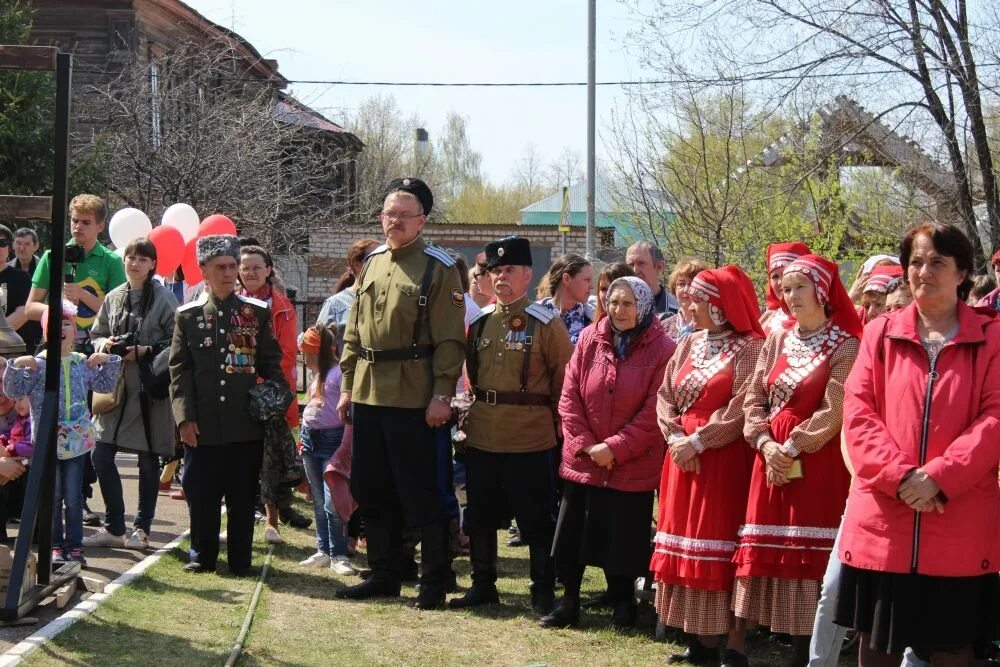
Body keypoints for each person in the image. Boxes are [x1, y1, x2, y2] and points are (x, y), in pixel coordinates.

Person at [835, 221, 1000, 666]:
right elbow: (859, 411)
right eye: (915, 262)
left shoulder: (992, 338)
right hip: (885, 523)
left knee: (952, 650)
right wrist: (903, 477)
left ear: (962, 272)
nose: (923, 271)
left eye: (937, 262)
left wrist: (939, 478)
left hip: (958, 522)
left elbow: (995, 418)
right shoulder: (879, 334)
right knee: (877, 647)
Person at [334, 177, 466, 609]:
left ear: (422, 221)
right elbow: (354, 332)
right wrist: (348, 387)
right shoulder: (371, 261)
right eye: (389, 213)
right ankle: (384, 574)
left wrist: (442, 395)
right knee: (371, 488)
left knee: (422, 492)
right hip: (370, 391)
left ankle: (433, 582)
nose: (394, 221)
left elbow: (449, 340)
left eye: (404, 215)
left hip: (415, 395)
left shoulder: (438, 267)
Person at [733, 254, 861, 666]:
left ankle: (810, 649)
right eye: (785, 290)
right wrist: (765, 443)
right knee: (775, 547)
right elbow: (754, 396)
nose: (790, 297)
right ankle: (783, 638)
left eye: (799, 288)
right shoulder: (776, 340)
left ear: (822, 291)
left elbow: (834, 407)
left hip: (816, 460)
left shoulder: (845, 344)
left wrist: (793, 447)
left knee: (808, 552)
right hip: (769, 456)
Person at [447, 236, 573, 615]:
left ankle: (541, 590)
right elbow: (472, 375)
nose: (500, 278)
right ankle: (483, 585)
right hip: (485, 433)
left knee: (535, 519)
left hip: (530, 436)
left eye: (509, 271)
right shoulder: (481, 321)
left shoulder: (546, 324)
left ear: (527, 274)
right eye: (495, 271)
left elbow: (562, 383)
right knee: (481, 515)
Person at [650, 265, 766, 667]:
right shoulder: (688, 343)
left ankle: (733, 644)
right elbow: (665, 394)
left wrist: (699, 440)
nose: (690, 303)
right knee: (685, 542)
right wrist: (674, 437)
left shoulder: (751, 347)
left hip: (722, 460)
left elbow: (741, 408)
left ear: (720, 306)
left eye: (699, 298)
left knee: (721, 544)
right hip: (682, 457)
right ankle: (697, 639)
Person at [544, 275, 675, 630]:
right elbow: (569, 397)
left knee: (623, 538)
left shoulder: (663, 350)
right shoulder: (589, 338)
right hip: (584, 460)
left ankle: (623, 604)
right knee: (573, 534)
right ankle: (568, 602)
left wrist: (615, 448)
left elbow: (655, 412)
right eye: (614, 302)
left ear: (644, 307)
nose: (618, 310)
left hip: (630, 463)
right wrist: (587, 444)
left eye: (628, 304)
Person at [169, 234, 286, 576]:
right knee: (201, 492)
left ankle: (239, 560)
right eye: (220, 267)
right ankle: (202, 555)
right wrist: (184, 419)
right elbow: (180, 372)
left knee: (241, 495)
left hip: (243, 424)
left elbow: (273, 367)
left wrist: (272, 401)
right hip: (202, 424)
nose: (227, 273)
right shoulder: (188, 316)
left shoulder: (255, 314)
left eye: (232, 266)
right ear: (203, 270)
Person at [3, 301, 121, 567]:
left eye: (66, 323)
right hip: (47, 442)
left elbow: (106, 384)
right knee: (53, 496)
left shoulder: (81, 362)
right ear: (45, 332)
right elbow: (12, 391)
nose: (61, 329)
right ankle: (55, 545)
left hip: (76, 442)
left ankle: (75, 546)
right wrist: (15, 365)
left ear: (75, 330)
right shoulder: (38, 365)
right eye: (54, 325)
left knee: (74, 496)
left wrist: (109, 360)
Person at [85, 238, 179, 552]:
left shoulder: (165, 298)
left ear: (153, 264)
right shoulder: (114, 297)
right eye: (130, 257)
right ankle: (114, 525)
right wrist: (105, 345)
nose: (135, 263)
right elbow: (95, 334)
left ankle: (142, 528)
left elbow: (178, 341)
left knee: (148, 459)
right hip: (115, 387)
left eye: (142, 258)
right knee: (100, 453)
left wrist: (146, 349)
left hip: (149, 388)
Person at [236, 244, 300, 544]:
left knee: (270, 460)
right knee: (240, 459)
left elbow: (286, 355)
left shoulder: (282, 307)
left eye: (256, 267)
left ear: (268, 270)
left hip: (269, 394)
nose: (249, 272)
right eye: (245, 266)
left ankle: (272, 520)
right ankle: (241, 517)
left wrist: (266, 390)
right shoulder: (230, 301)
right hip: (235, 389)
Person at [26, 194, 126, 353]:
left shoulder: (112, 261)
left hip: (94, 344)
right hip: (56, 340)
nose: (78, 226)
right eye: (75, 220)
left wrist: (83, 295)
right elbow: (30, 309)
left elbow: (118, 313)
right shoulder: (51, 256)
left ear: (100, 227)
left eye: (86, 222)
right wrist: (61, 309)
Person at [298, 324, 356, 574]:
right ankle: (323, 549)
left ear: (317, 354)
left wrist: (344, 446)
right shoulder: (318, 375)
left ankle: (339, 553)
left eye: (308, 355)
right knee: (318, 498)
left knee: (332, 500)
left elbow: (347, 411)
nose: (305, 360)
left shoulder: (338, 373)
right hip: (310, 439)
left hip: (331, 440)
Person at [315, 238, 380, 350]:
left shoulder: (388, 300)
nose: (383, 264)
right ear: (357, 265)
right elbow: (318, 350)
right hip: (345, 367)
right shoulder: (334, 305)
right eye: (376, 259)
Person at [536, 253, 594, 345]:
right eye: (587, 280)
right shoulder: (534, 315)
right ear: (566, 279)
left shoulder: (592, 318)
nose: (592, 286)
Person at [0, 224, 37, 352]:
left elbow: (22, 314)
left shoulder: (21, 278)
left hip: (14, 352)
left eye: (2, 243)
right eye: (19, 243)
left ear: (9, 247)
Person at [760, 242, 812, 333]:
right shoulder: (766, 318)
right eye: (775, 277)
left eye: (786, 274)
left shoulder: (824, 320)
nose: (781, 282)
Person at [626, 241, 679, 319]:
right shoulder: (617, 308)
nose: (635, 271)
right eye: (631, 265)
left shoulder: (677, 309)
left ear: (659, 267)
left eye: (641, 263)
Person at [662, 258, 709, 341]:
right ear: (674, 288)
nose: (686, 290)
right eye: (681, 284)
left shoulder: (710, 327)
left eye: (691, 284)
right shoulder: (663, 327)